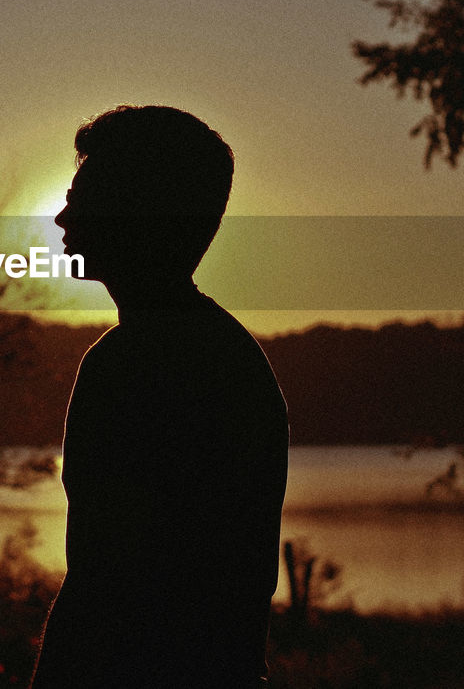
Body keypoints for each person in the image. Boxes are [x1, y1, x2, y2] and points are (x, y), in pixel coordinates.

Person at [30, 105, 290, 688]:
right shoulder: (229, 355)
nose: (63, 216)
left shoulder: (132, 362)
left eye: (84, 196)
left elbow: (101, 584)